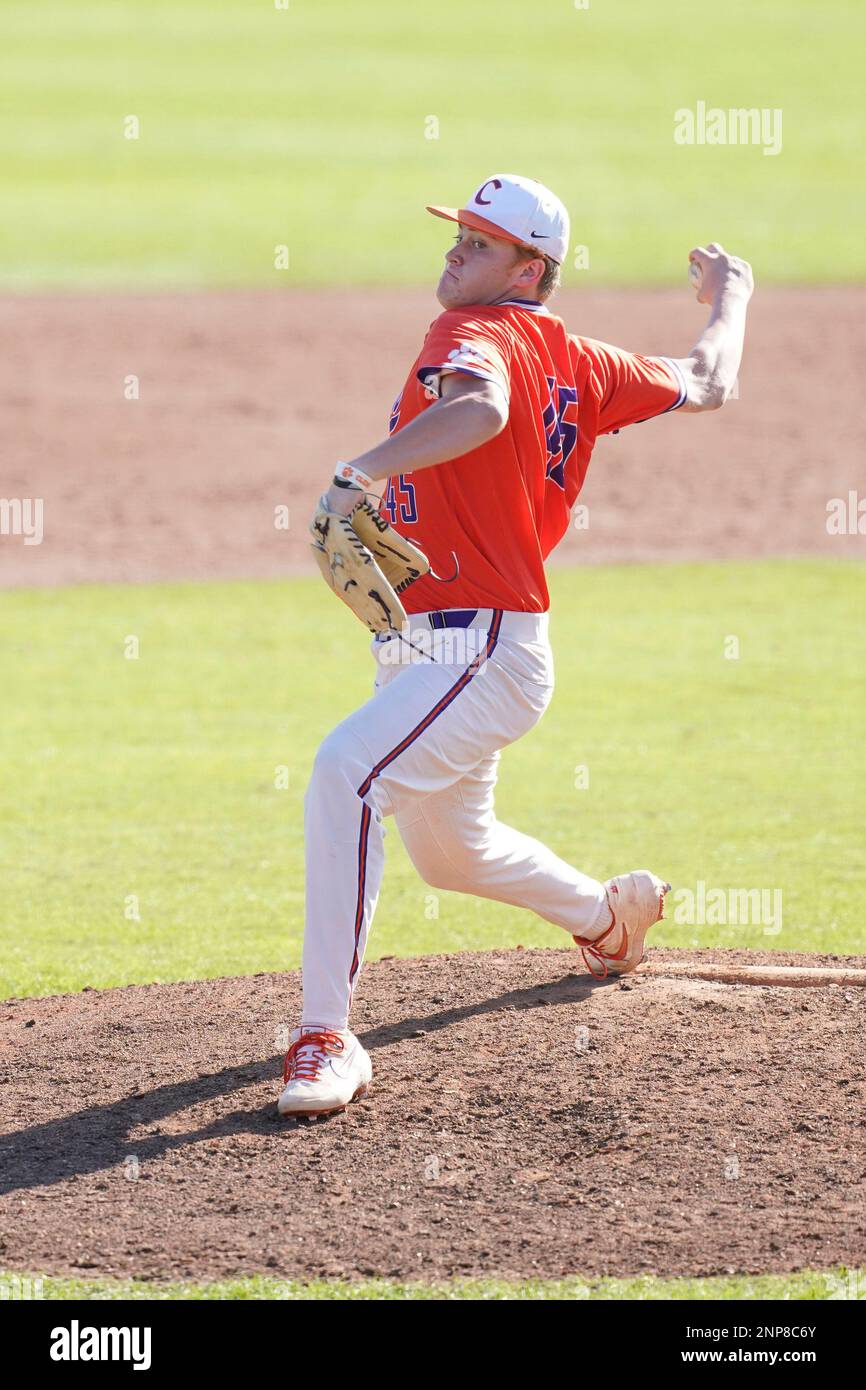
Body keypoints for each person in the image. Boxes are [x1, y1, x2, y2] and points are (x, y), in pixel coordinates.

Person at [278, 173, 754, 1118]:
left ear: (530, 269)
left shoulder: (471, 334)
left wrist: (356, 474)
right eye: (458, 232)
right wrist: (733, 293)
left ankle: (325, 1036)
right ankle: (607, 919)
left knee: (346, 775)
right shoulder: (582, 360)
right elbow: (709, 381)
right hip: (450, 652)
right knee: (453, 853)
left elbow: (483, 410)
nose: (456, 248)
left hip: (480, 653)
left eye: (480, 241)